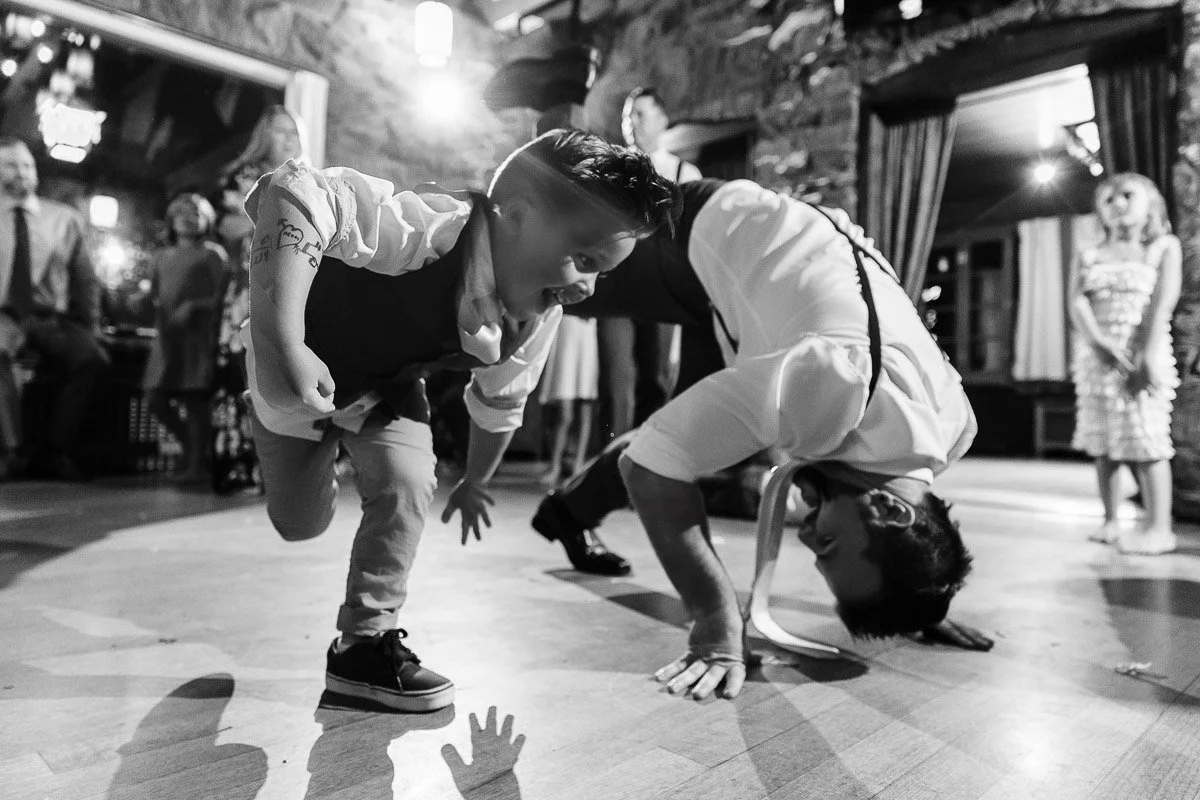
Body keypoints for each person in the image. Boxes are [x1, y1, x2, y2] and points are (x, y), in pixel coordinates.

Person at [242, 129, 675, 712]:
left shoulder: (534, 316)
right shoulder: (431, 230)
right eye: (586, 259)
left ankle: (362, 646)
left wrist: (474, 481)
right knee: (301, 523)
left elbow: (500, 403)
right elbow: (295, 192)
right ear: (515, 216)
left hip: (384, 393)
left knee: (410, 480)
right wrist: (281, 340)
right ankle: (313, 457)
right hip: (298, 372)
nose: (585, 289)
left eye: (603, 273)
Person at [544, 178, 979, 699]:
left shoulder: (955, 427)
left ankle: (567, 513)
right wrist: (713, 620)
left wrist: (917, 596)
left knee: (684, 437)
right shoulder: (827, 387)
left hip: (752, 295)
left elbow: (670, 451)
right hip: (697, 233)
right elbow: (650, 468)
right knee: (543, 277)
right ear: (890, 510)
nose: (808, 539)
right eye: (831, 544)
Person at [1069, 173, 1181, 555]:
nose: (1117, 205)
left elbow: (1162, 302)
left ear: (1149, 201)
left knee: (1146, 439)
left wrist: (1145, 356)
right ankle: (1111, 519)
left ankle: (1158, 526)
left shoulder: (1164, 247)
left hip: (1142, 352)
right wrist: (1098, 344)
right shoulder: (1088, 253)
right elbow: (1077, 300)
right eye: (1108, 200)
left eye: (1126, 196)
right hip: (1097, 358)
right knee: (1104, 442)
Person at [211, 105, 308, 493]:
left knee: (282, 372)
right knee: (242, 373)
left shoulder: (307, 179)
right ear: (264, 135)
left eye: (294, 132)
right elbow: (227, 225)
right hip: (247, 288)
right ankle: (236, 463)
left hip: (291, 289)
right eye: (281, 131)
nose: (289, 138)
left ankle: (281, 467)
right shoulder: (244, 177)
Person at [0, 136, 107, 481]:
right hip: (3, 315)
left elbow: (86, 280)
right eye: (11, 165)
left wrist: (91, 327)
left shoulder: (64, 217)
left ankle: (57, 451)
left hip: (49, 318)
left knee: (91, 359)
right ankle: (13, 453)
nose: (22, 172)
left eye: (27, 165)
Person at [142, 193, 228, 482]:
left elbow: (222, 297)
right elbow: (153, 294)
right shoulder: (161, 255)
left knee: (194, 401)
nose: (188, 218)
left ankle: (194, 464)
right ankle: (191, 449)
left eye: (196, 213)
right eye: (182, 213)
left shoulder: (213, 254)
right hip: (168, 336)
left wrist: (195, 306)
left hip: (198, 337)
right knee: (155, 398)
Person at [537, 314, 599, 488]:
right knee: (564, 408)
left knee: (585, 400)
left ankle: (578, 465)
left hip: (587, 328)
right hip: (565, 325)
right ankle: (554, 465)